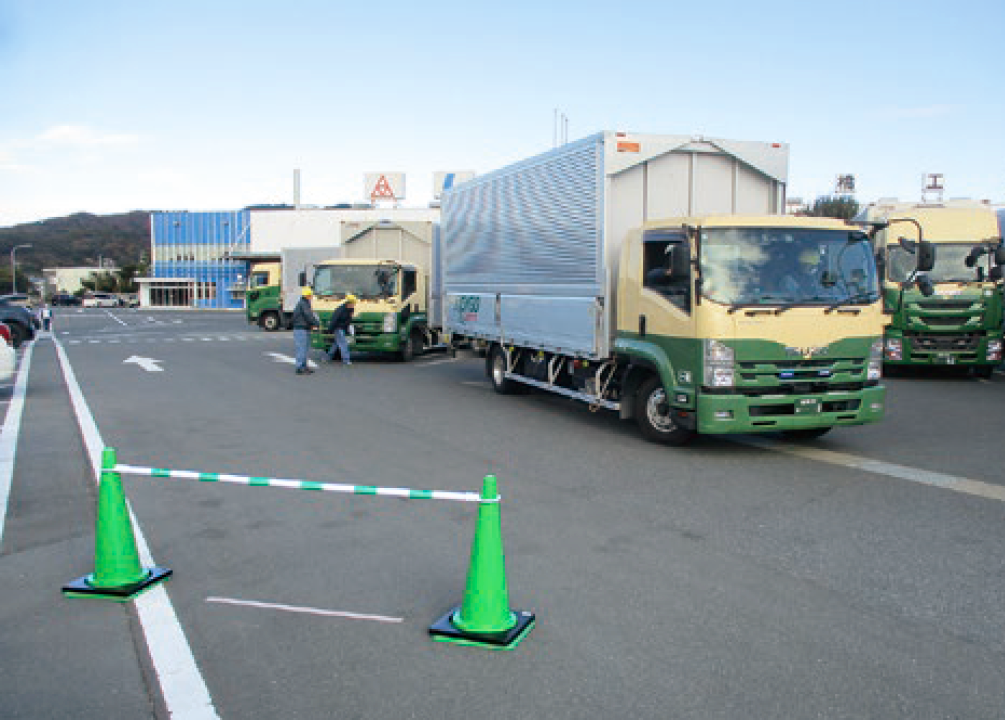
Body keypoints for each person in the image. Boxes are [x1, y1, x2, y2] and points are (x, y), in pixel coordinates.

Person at [291, 287, 319, 375]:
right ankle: (299, 368)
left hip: (304, 328)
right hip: (300, 329)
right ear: (307, 295)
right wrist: (316, 323)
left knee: (305, 349)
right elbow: (308, 315)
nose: (311, 296)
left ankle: (304, 366)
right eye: (310, 295)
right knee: (302, 349)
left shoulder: (304, 303)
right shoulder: (304, 304)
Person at [327, 295, 357, 365]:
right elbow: (334, 320)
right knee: (343, 344)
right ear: (348, 303)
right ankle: (346, 360)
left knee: (336, 344)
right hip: (338, 328)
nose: (354, 305)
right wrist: (330, 330)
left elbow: (348, 321)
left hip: (342, 328)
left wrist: (347, 330)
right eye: (353, 304)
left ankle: (328, 357)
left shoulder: (350, 310)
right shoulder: (340, 310)